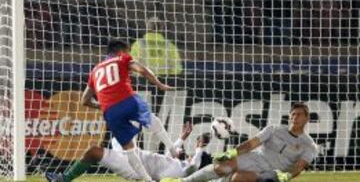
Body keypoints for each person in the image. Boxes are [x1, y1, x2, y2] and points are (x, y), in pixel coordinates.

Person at [46, 39, 178, 182]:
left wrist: (101, 105)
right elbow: (142, 70)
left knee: (129, 148)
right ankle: (174, 151)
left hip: (111, 111)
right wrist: (159, 84)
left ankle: (148, 180)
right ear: (121, 51)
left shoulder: (95, 70)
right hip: (128, 99)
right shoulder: (123, 58)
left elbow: (84, 100)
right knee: (152, 120)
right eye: (128, 51)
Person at [161, 102, 318, 182]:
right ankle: (184, 181)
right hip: (256, 158)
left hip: (274, 172)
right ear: (289, 116)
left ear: (307, 118)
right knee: (222, 166)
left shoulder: (309, 145)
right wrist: (232, 152)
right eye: (293, 114)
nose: (295, 117)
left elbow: (300, 166)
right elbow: (252, 143)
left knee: (238, 178)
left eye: (299, 115)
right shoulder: (274, 129)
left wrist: (287, 176)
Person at [45, 122, 213, 182]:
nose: (191, 155)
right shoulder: (178, 165)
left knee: (93, 151)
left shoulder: (186, 173)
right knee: (123, 129)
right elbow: (169, 156)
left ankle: (64, 179)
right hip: (134, 153)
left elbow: (193, 166)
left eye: (194, 156)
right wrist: (182, 138)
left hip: (133, 167)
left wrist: (200, 148)